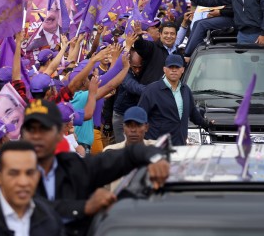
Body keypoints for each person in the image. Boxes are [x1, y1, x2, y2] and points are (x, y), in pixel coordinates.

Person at [20, 99, 170, 236]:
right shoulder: (9, 173)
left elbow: (127, 155)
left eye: (44, 129)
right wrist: (84, 207)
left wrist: (155, 158)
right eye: (31, 129)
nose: (36, 136)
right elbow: (27, 208)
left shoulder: (74, 168)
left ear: (60, 134)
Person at [138, 55, 213, 146]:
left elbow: (193, 113)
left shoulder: (186, 90)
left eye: (177, 67)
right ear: (164, 69)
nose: (174, 70)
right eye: (170, 67)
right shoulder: (151, 90)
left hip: (180, 145)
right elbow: (140, 117)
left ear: (182, 70)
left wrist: (207, 124)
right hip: (157, 146)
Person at [104, 107, 157, 191]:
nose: (133, 130)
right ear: (123, 128)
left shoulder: (156, 148)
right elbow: (104, 188)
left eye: (138, 125)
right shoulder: (111, 152)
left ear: (146, 127)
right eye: (129, 125)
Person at [112, 50, 145, 143]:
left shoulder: (143, 71)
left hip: (136, 115)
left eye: (140, 67)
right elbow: (133, 87)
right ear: (129, 63)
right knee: (122, 146)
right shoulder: (125, 73)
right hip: (121, 115)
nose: (137, 70)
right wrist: (153, 90)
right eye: (135, 67)